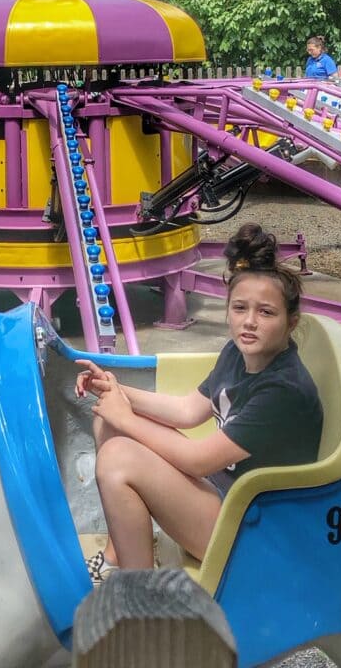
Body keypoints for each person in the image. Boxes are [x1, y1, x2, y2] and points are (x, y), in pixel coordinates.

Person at [75, 223, 323, 583]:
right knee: (107, 420)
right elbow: (187, 411)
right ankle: (119, 557)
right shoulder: (239, 352)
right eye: (240, 308)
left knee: (118, 455)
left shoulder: (282, 389)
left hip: (256, 533)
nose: (249, 322)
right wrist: (116, 391)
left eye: (266, 313)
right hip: (224, 498)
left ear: (291, 321)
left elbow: (197, 459)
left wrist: (127, 418)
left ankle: (140, 597)